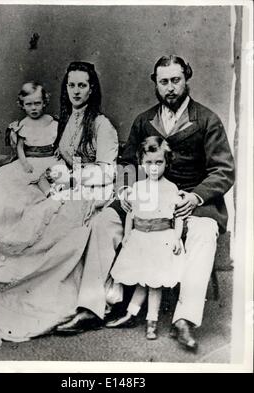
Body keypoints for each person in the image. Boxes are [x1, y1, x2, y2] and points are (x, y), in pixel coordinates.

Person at [57, 55, 235, 352]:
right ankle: (91, 307)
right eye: (163, 81)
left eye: (176, 80)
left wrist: (194, 196)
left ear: (186, 79)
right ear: (156, 83)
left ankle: (185, 319)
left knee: (204, 232)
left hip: (190, 200)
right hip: (147, 196)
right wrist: (126, 192)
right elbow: (126, 164)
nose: (170, 88)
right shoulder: (144, 120)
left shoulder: (206, 119)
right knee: (104, 222)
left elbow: (223, 170)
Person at [0, 61, 118, 342]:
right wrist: (54, 177)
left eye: (82, 85)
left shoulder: (102, 124)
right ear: (65, 88)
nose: (76, 91)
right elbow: (61, 159)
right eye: (71, 85)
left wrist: (73, 179)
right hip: (66, 187)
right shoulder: (69, 119)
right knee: (28, 212)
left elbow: (108, 170)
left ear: (92, 88)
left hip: (92, 191)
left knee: (54, 225)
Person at [106, 136, 186, 341]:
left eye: (159, 162)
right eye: (148, 162)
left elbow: (178, 217)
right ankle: (130, 314)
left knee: (155, 282)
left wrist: (177, 238)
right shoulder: (139, 187)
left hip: (161, 239)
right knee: (143, 279)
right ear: (141, 162)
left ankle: (152, 320)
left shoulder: (170, 188)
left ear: (167, 163)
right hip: (141, 238)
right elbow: (132, 214)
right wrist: (127, 234)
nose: (153, 167)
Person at [0, 81, 57, 197]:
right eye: (29, 104)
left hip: (50, 158)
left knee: (55, 175)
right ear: (22, 105)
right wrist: (25, 163)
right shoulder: (23, 124)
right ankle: (48, 194)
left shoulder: (51, 120)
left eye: (37, 103)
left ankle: (51, 193)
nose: (33, 108)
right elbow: (20, 147)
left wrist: (58, 148)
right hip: (31, 160)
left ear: (44, 103)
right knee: (20, 183)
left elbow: (58, 139)